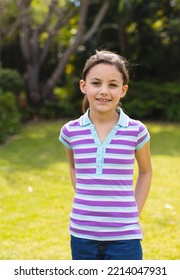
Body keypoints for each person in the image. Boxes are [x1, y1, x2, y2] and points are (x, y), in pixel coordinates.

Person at [59, 50, 153, 260]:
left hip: (125, 238)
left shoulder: (136, 131)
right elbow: (74, 168)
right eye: (96, 83)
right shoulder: (70, 131)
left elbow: (146, 172)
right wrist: (87, 198)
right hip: (82, 235)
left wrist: (133, 213)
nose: (104, 91)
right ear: (84, 86)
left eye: (112, 84)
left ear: (123, 90)